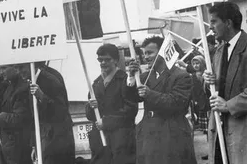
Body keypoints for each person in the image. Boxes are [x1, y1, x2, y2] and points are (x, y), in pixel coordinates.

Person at [127, 36, 196, 164]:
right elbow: (132, 98)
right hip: (149, 132)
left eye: (150, 52)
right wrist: (131, 77)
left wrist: (149, 94)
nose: (146, 57)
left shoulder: (181, 76)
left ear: (162, 52)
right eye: (144, 53)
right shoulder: (144, 76)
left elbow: (176, 102)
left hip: (172, 132)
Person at [203, 2, 247, 164]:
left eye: (214, 22)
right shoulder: (219, 51)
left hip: (241, 134)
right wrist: (209, 82)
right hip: (219, 132)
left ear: (228, 23)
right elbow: (214, 92)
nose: (210, 28)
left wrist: (228, 105)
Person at [86, 44, 137, 164]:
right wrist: (90, 106)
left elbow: (131, 111)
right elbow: (90, 116)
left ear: (115, 60)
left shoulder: (126, 80)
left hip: (121, 139)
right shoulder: (95, 83)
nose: (103, 63)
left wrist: (107, 122)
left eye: (107, 59)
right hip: (100, 141)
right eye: (100, 60)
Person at [30, 62, 75, 164]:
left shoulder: (51, 79)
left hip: (57, 139)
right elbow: (34, 116)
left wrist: (42, 97)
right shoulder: (30, 81)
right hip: (44, 140)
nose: (19, 71)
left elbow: (61, 110)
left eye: (21, 67)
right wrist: (34, 145)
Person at [0, 64, 32, 164]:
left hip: (19, 146)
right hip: (10, 144)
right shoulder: (10, 86)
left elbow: (19, 118)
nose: (1, 72)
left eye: (4, 68)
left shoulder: (22, 89)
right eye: (0, 68)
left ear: (15, 68)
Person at [189, 55, 210, 133]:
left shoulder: (207, 73)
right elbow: (193, 90)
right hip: (200, 101)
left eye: (197, 63)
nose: (195, 65)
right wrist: (194, 100)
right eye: (193, 64)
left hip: (208, 100)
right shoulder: (192, 76)